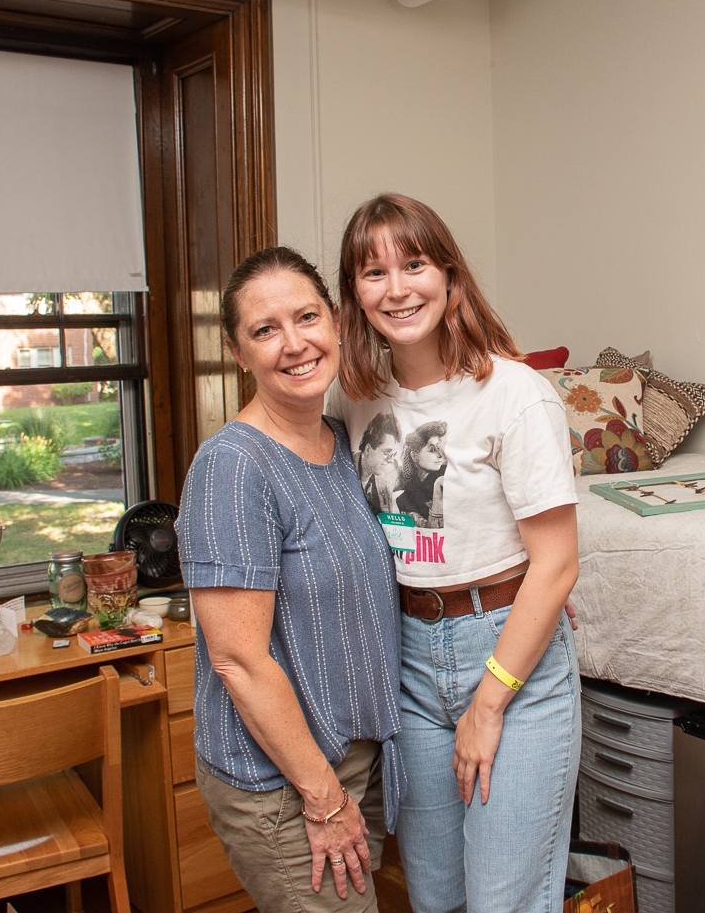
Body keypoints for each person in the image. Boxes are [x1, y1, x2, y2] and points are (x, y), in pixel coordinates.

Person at [332, 193, 582, 913]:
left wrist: (490, 700)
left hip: (508, 660)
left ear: (448, 275)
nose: (397, 288)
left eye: (414, 264)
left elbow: (557, 565)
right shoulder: (355, 400)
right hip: (407, 656)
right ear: (354, 292)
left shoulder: (515, 395)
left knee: (505, 901)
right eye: (373, 272)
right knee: (434, 897)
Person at [177, 247, 403, 913]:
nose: (294, 343)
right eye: (265, 330)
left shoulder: (340, 441)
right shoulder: (233, 468)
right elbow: (238, 659)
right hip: (287, 783)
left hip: (354, 761)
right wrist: (324, 798)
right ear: (237, 352)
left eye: (306, 317)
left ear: (335, 321)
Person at [355, 411, 403, 515]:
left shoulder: (386, 476)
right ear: (368, 449)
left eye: (393, 455)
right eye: (387, 453)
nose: (390, 460)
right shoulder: (345, 465)